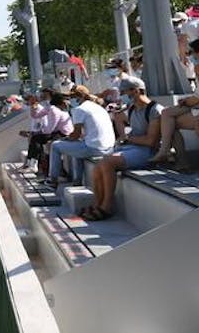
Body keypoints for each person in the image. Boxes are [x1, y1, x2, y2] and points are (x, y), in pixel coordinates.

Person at [81, 76, 163, 220]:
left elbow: (151, 141)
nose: (123, 97)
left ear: (136, 91)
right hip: (134, 147)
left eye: (125, 93)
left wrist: (127, 138)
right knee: (98, 166)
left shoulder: (154, 110)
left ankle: (106, 206)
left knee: (107, 163)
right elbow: (127, 126)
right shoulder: (132, 109)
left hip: (147, 152)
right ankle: (97, 204)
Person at [45, 84, 117, 188]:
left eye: (73, 97)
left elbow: (75, 135)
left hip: (95, 148)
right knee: (77, 149)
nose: (71, 100)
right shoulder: (99, 108)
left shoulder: (79, 109)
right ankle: (77, 182)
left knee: (55, 145)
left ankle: (53, 179)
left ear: (80, 97)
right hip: (109, 148)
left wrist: (66, 139)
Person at [148, 38, 199, 168]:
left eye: (192, 52)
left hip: (196, 104)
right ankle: (165, 151)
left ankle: (175, 157)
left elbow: (197, 98)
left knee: (170, 123)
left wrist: (187, 101)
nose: (191, 56)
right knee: (166, 114)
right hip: (195, 104)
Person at [23, 92, 73, 174]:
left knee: (36, 139)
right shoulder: (50, 108)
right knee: (35, 138)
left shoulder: (54, 110)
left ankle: (34, 164)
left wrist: (39, 132)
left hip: (63, 133)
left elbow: (49, 129)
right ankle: (32, 163)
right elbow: (35, 116)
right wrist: (33, 107)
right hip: (56, 132)